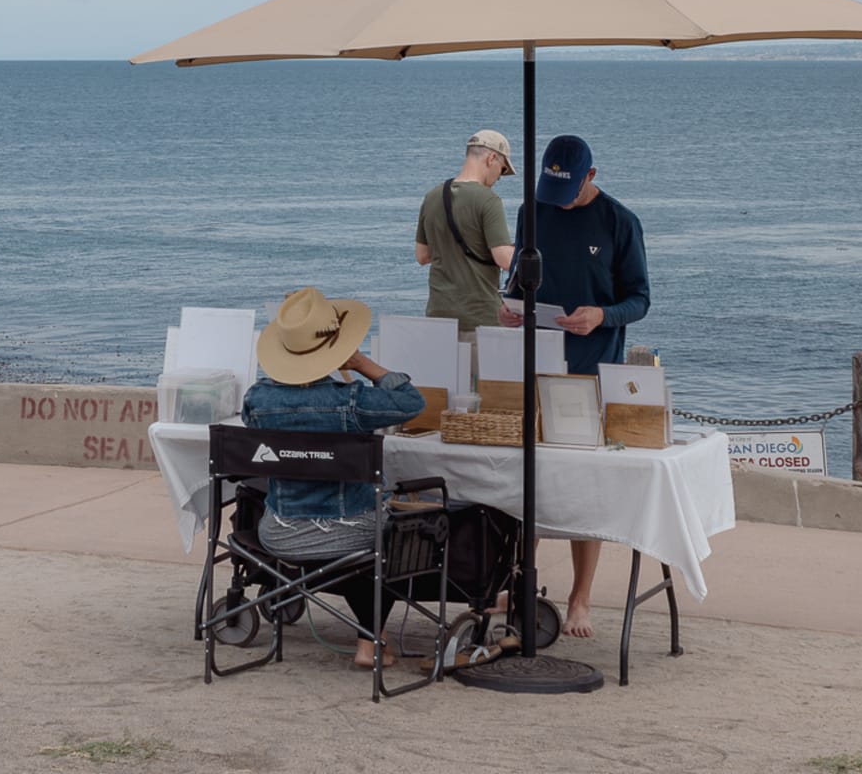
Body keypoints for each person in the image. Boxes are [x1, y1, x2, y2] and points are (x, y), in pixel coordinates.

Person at [507, 132, 649, 639]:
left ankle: (581, 598)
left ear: (591, 176)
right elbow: (517, 283)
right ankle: (519, 579)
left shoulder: (619, 222)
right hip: (533, 364)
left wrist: (602, 315)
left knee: (582, 489)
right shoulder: (532, 210)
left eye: (567, 193)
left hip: (591, 369)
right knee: (527, 483)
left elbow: (640, 300)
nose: (558, 204)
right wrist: (511, 310)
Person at [240, 286, 426, 669]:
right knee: (389, 535)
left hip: (279, 534)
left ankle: (372, 640)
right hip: (349, 532)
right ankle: (368, 640)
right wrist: (361, 364)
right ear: (336, 348)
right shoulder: (350, 402)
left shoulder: (258, 399)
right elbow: (412, 403)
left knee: (364, 536)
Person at [413, 129, 517, 331]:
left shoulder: (432, 196)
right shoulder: (488, 200)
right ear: (492, 158)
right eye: (502, 170)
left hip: (438, 315)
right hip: (479, 317)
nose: (498, 178)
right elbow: (505, 259)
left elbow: (422, 256)